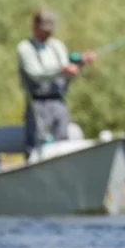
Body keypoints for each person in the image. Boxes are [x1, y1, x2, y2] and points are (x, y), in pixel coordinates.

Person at [17, 8, 95, 155]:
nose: (48, 33)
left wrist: (80, 63)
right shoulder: (25, 48)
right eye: (44, 29)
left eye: (50, 29)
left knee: (62, 145)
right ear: (35, 25)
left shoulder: (57, 46)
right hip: (37, 104)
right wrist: (61, 69)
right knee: (37, 146)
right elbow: (36, 74)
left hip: (59, 104)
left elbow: (67, 74)